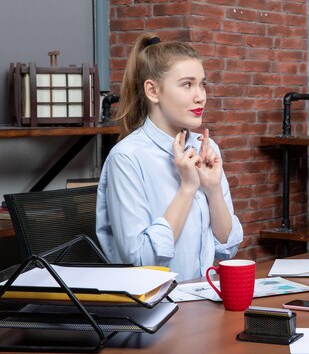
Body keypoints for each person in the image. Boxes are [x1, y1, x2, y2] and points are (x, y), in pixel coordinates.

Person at [96, 33, 243, 281]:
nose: (200, 96)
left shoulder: (206, 148)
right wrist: (187, 188)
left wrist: (213, 189)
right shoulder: (127, 158)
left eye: (202, 84)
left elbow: (228, 249)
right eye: (187, 84)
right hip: (153, 310)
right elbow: (140, 261)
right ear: (153, 91)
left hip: (202, 300)